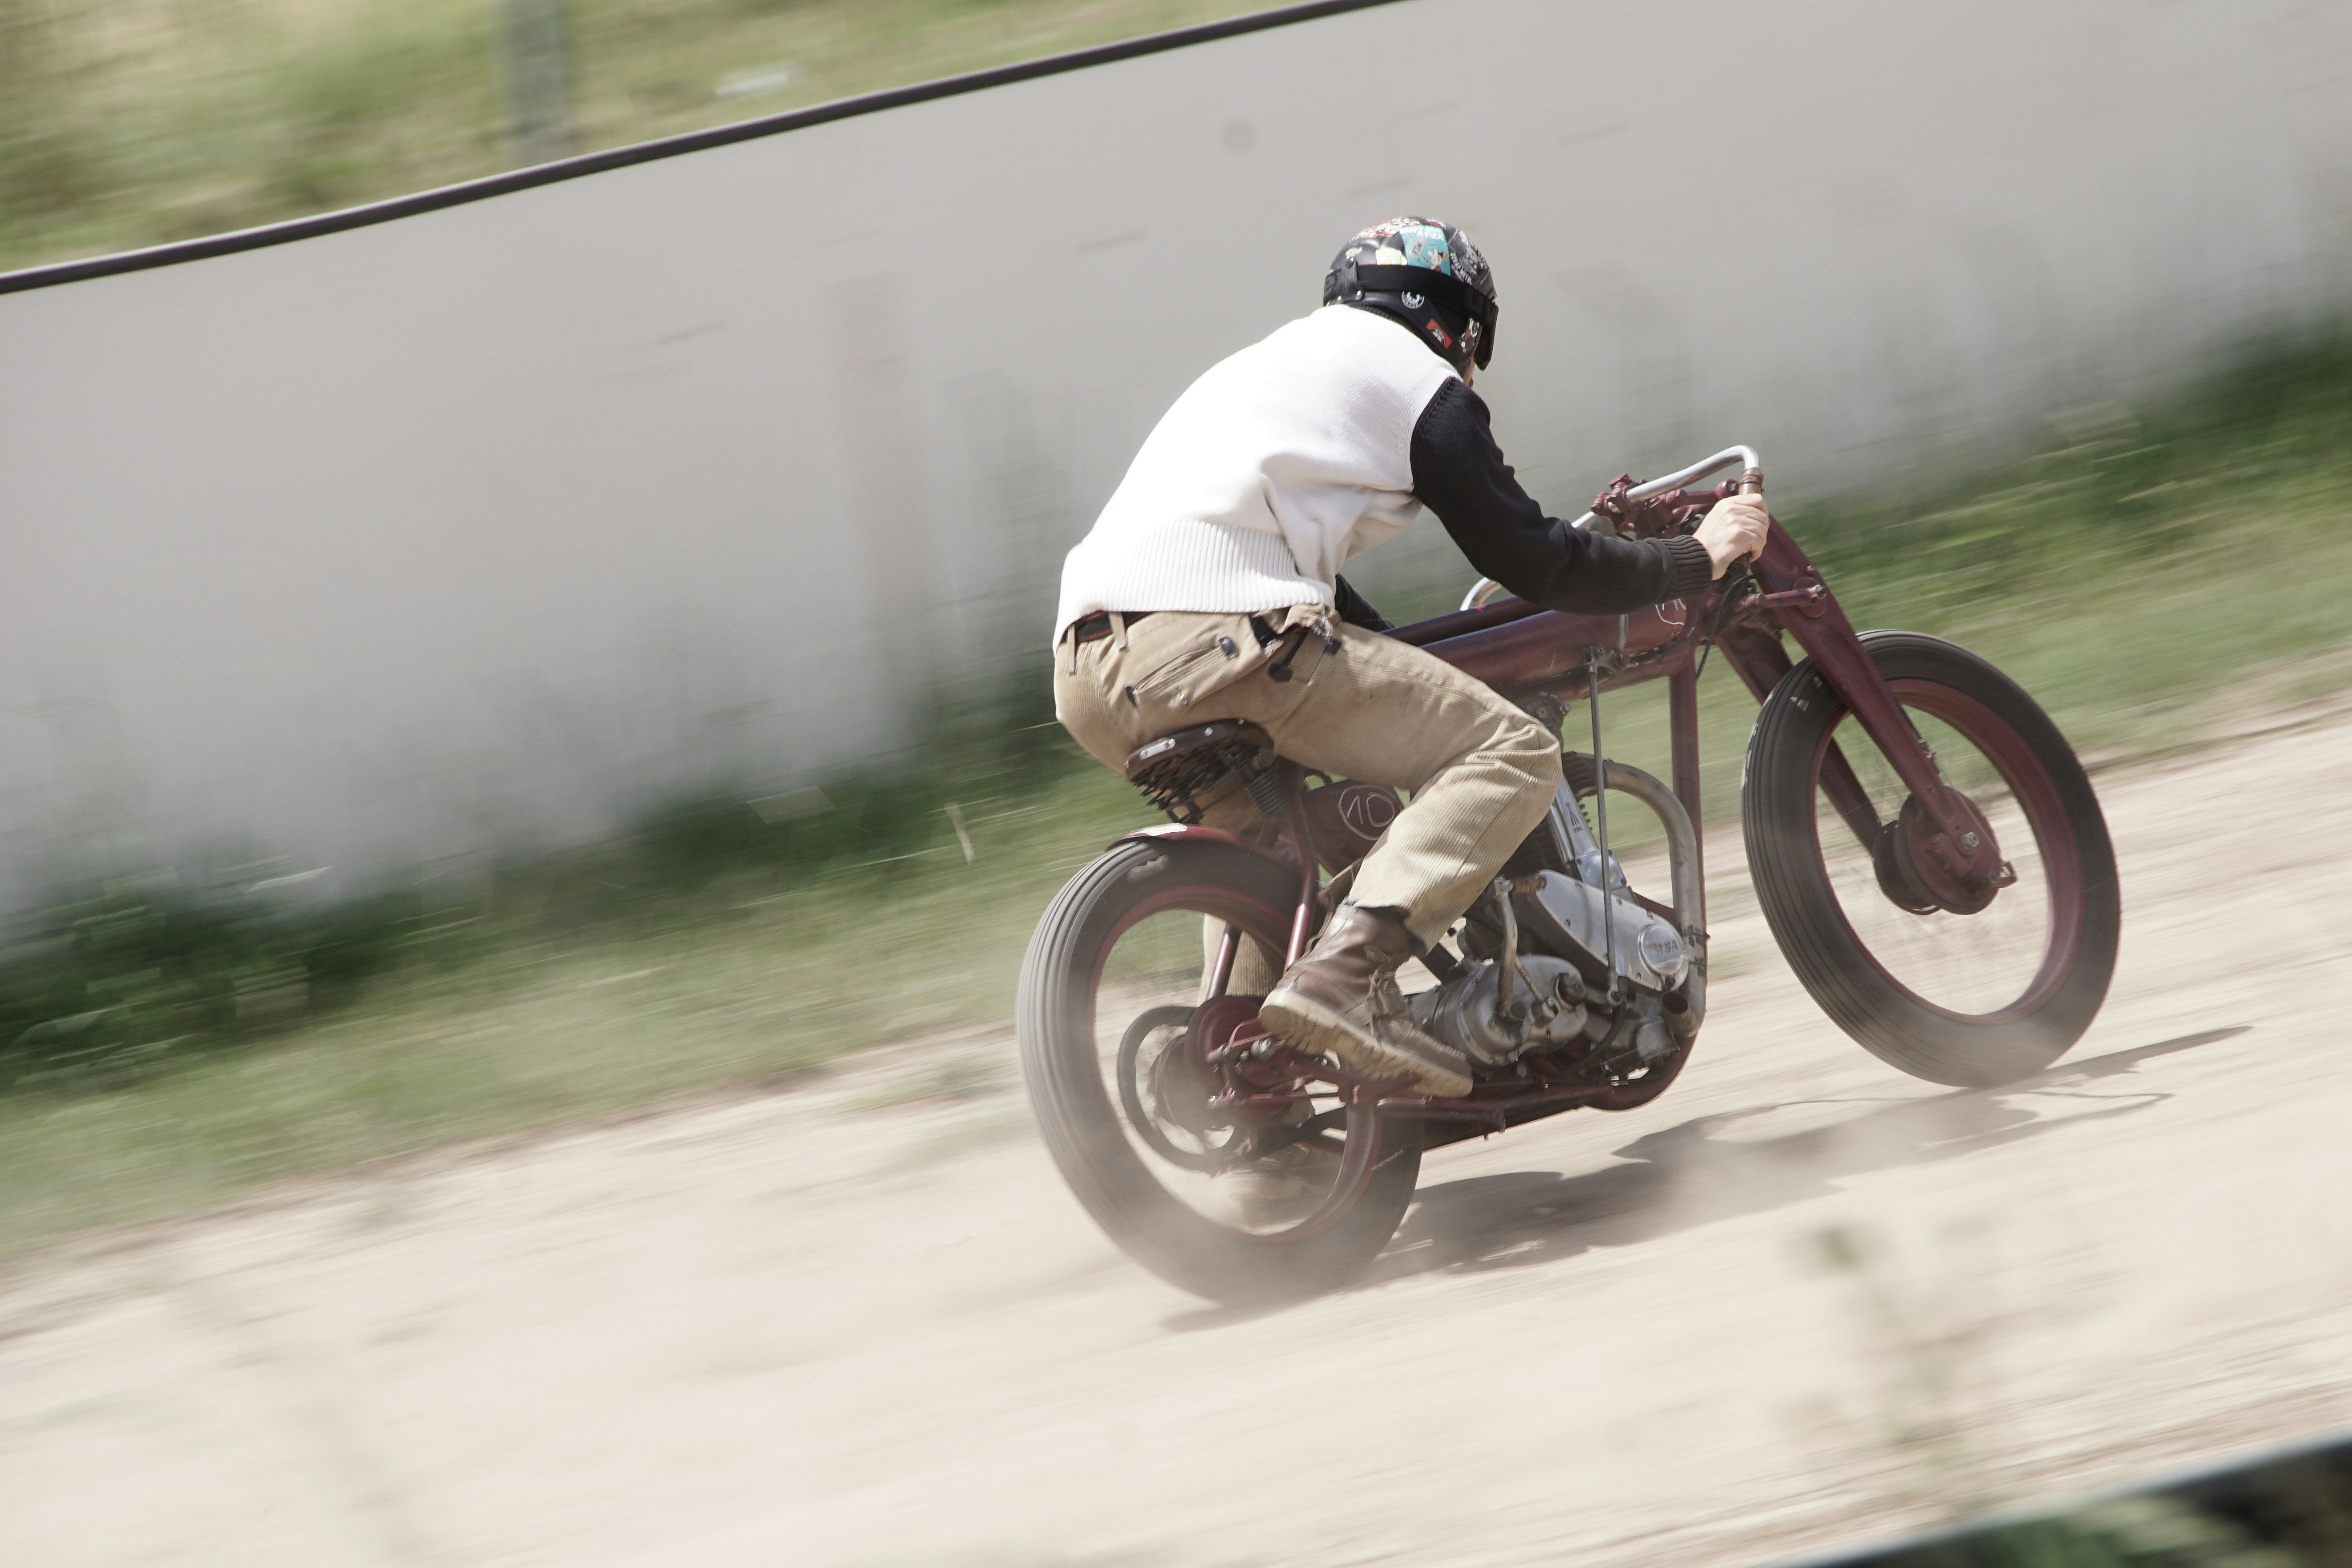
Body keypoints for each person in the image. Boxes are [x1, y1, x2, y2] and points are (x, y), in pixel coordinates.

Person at [1051, 217, 1768, 1098]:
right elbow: (1536, 559)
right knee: (1510, 752)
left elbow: (1289, 569)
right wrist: (1698, 558)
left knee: (1273, 868)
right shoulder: (1418, 381)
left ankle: (1266, 1135)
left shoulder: (1263, 374)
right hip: (1222, 637)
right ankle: (1348, 981)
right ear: (1458, 322)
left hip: (1091, 669)